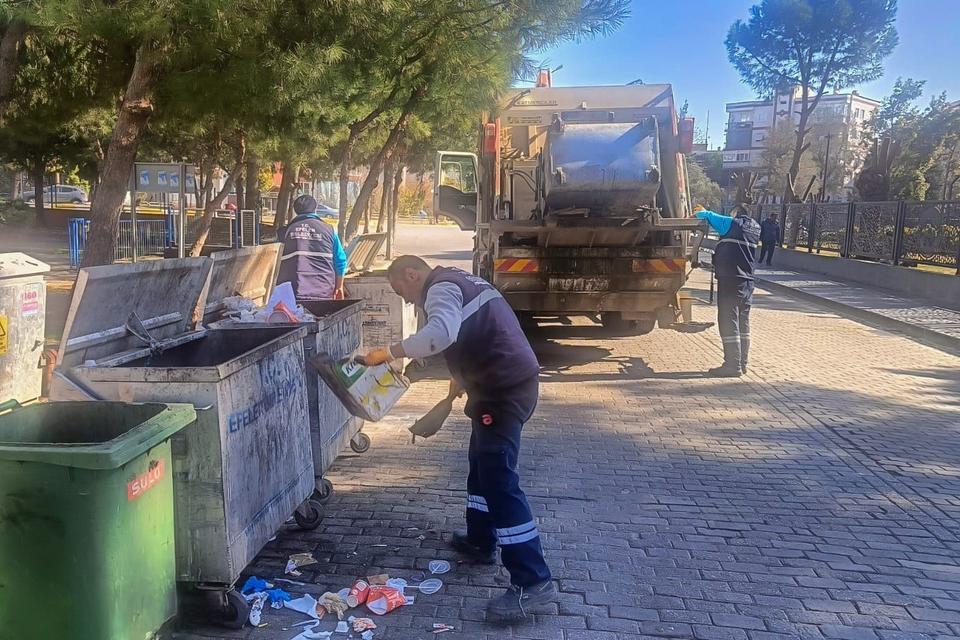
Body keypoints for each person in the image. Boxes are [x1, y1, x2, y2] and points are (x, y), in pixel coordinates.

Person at [357, 256, 555, 622]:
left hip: (503, 390)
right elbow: (473, 330)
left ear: (412, 274)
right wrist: (457, 383)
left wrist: (389, 353)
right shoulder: (458, 280)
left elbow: (440, 334)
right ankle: (480, 541)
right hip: (499, 384)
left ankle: (533, 580)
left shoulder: (441, 288)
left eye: (403, 292)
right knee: (480, 465)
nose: (408, 301)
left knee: (499, 480)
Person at [695, 205, 760, 377]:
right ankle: (742, 363)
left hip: (731, 280)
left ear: (736, 212)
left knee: (728, 320)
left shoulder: (731, 224)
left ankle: (732, 365)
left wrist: (700, 209)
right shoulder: (755, 228)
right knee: (743, 323)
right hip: (747, 281)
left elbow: (705, 215)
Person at [276, 194, 347, 301]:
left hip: (292, 293)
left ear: (296, 210)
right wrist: (339, 287)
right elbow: (340, 261)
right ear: (315, 209)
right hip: (324, 291)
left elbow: (274, 263)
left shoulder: (284, 232)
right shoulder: (329, 230)